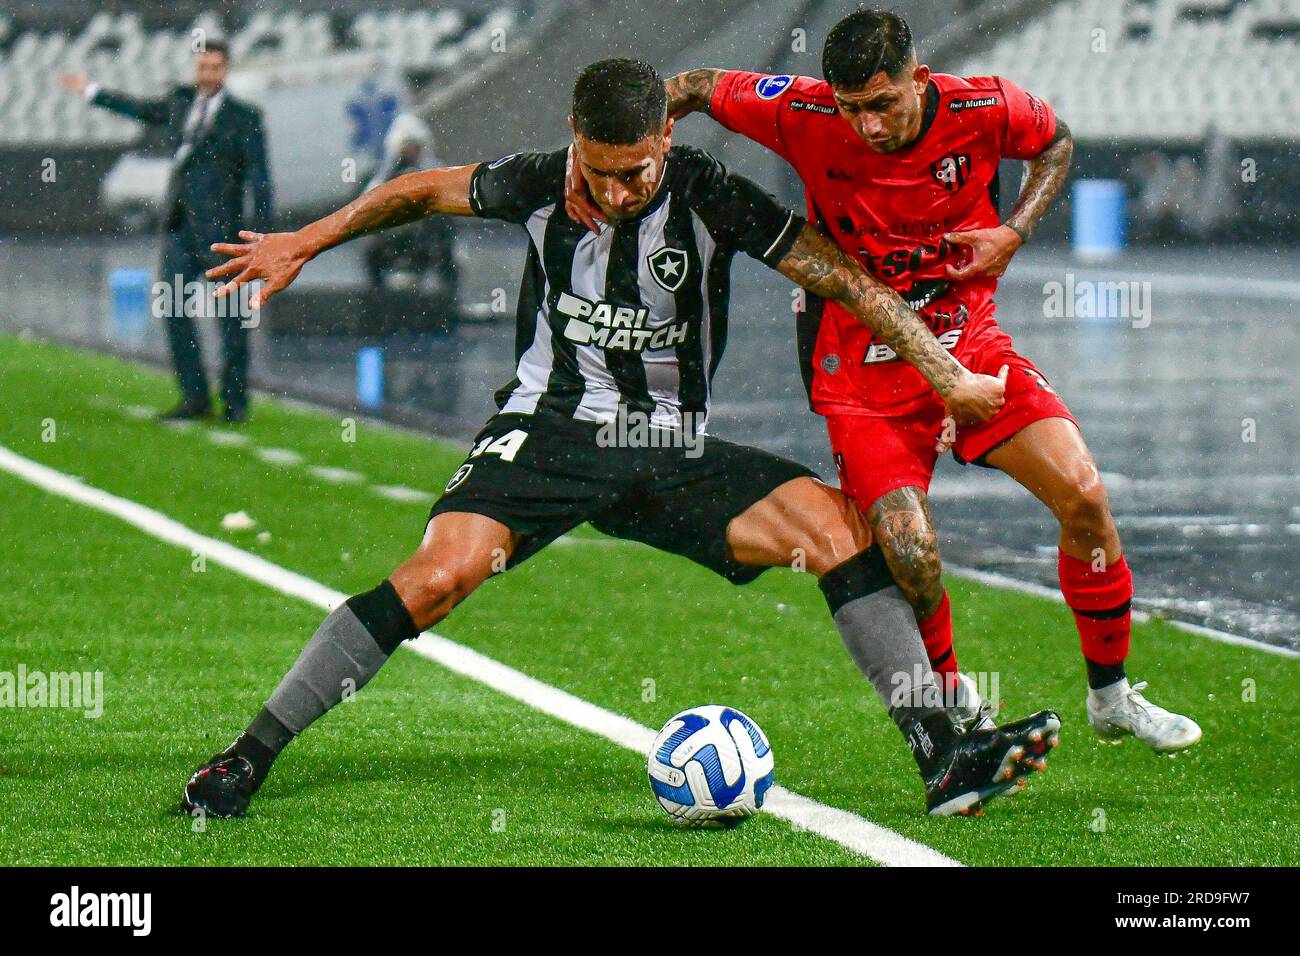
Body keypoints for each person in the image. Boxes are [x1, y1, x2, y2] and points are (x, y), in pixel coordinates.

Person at [182, 58, 1059, 821]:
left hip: (669, 449)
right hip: (552, 431)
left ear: (664, 144)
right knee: (435, 579)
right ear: (575, 138)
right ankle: (245, 758)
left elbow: (842, 277)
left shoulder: (709, 193)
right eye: (601, 172)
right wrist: (305, 240)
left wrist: (943, 373)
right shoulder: (533, 180)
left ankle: (942, 755)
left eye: (636, 171)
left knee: (842, 532)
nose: (618, 191)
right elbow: (416, 191)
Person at [567, 11, 1199, 752]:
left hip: (969, 342)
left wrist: (1015, 230)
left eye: (881, 103)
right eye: (850, 109)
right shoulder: (799, 110)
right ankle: (957, 707)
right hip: (857, 369)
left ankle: (1113, 695)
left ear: (918, 81)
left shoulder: (983, 107)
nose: (866, 125)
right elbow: (694, 88)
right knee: (909, 550)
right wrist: (594, 162)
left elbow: (1055, 143)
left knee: (1084, 494)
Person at [62, 38, 272, 423]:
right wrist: (92, 92)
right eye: (201, 68)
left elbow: (260, 180)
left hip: (225, 234)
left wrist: (264, 238)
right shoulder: (179, 103)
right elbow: (138, 108)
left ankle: (235, 401)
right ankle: (194, 396)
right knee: (175, 312)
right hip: (180, 226)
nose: (206, 76)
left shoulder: (245, 117)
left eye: (213, 68)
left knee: (232, 321)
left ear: (226, 70)